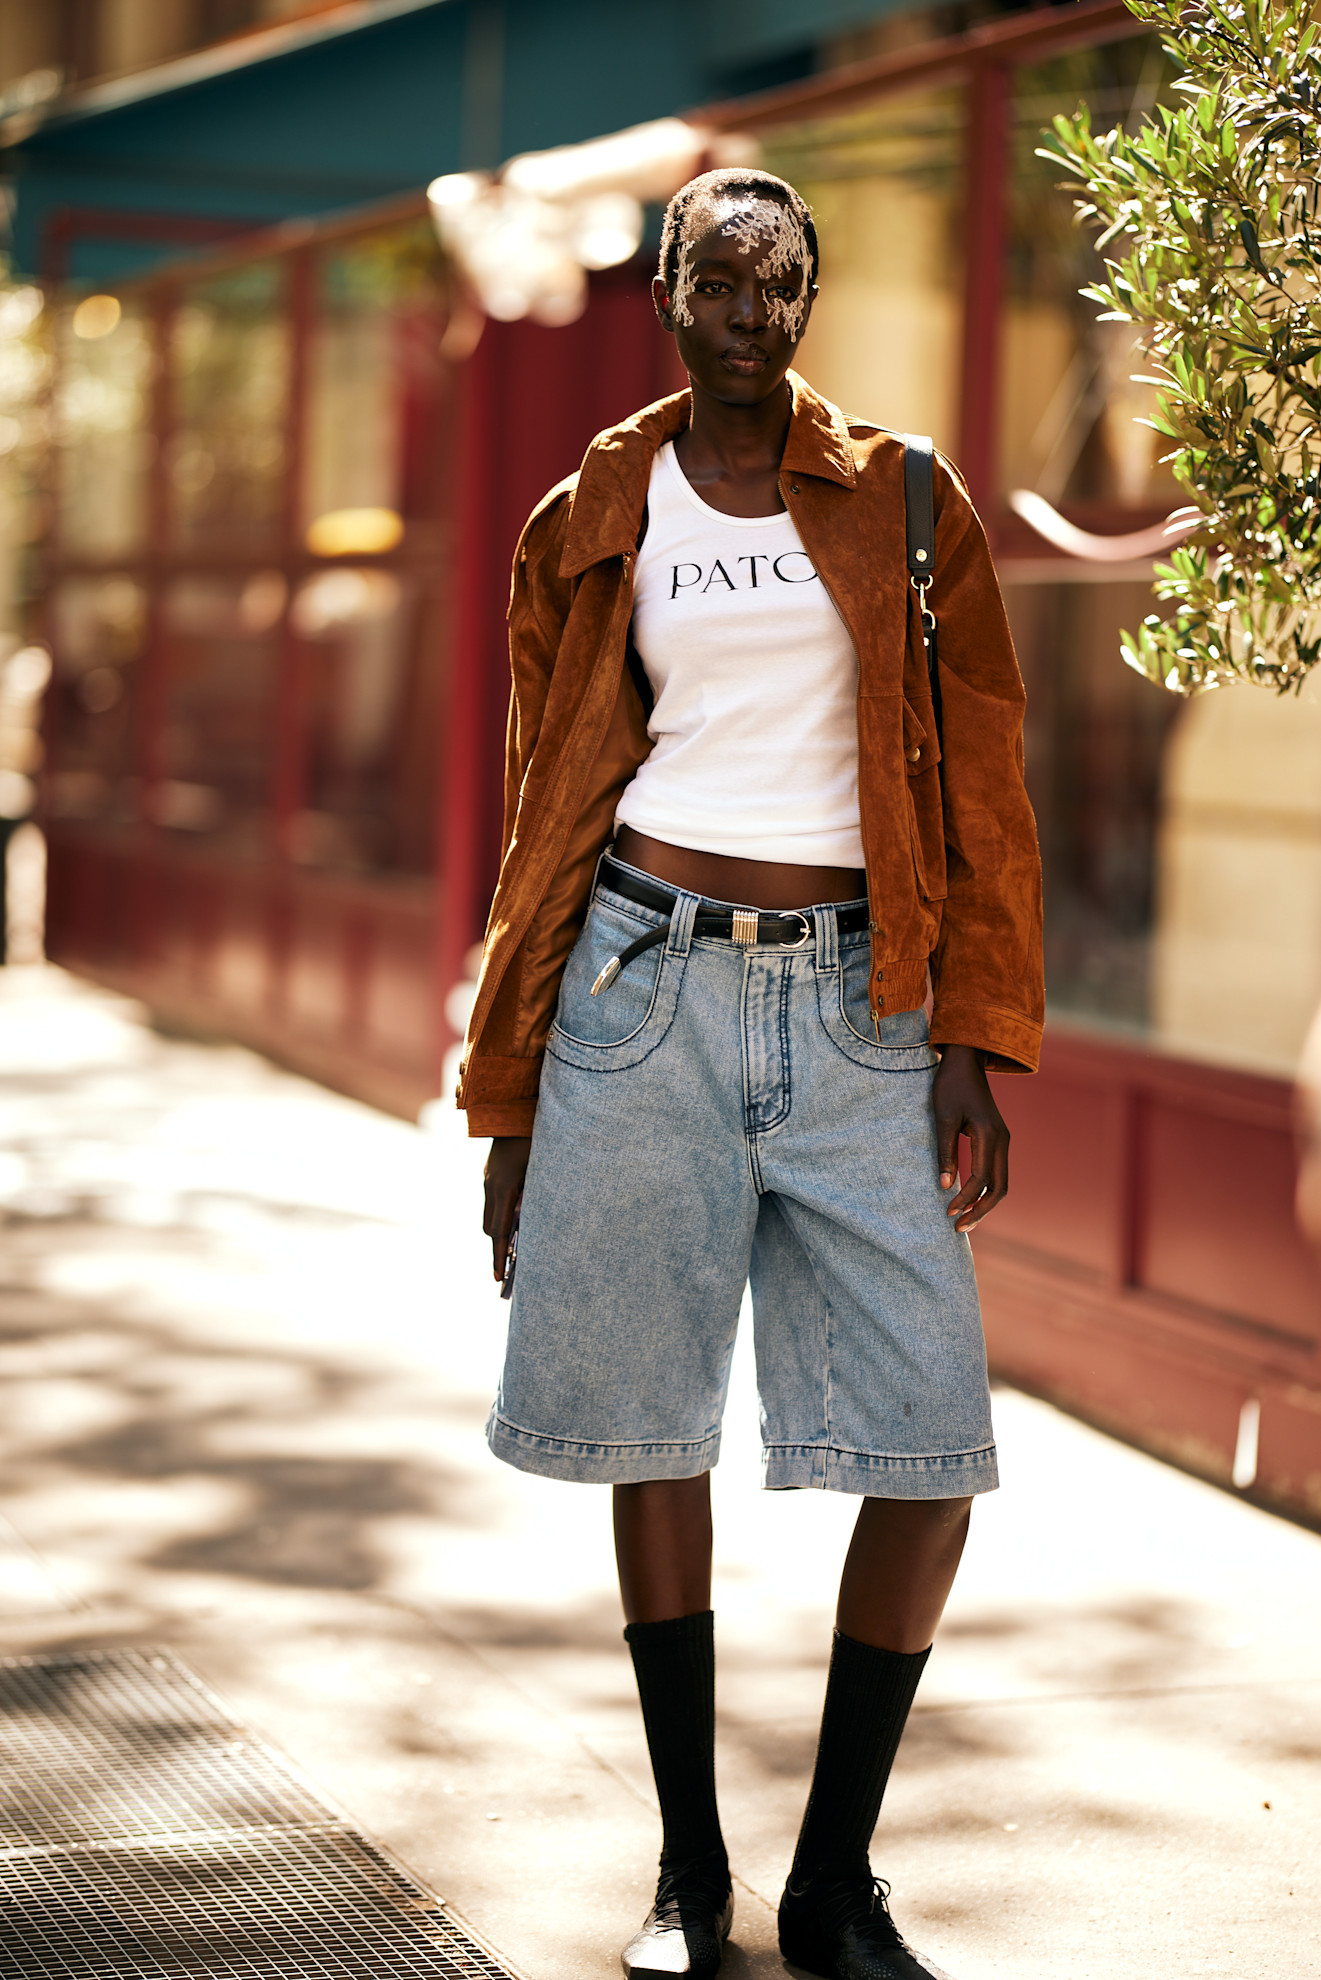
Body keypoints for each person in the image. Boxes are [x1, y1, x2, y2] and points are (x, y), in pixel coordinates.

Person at [457, 168, 1043, 1980]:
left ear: (806, 301)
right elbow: (541, 798)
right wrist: (511, 1093)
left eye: (780, 282)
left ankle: (837, 1876)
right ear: (665, 292)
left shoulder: (907, 500)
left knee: (931, 1440)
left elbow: (983, 785)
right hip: (638, 989)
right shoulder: (592, 510)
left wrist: (975, 1040)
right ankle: (689, 1873)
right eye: (720, 278)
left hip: (862, 1006)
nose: (749, 308)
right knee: (651, 1421)